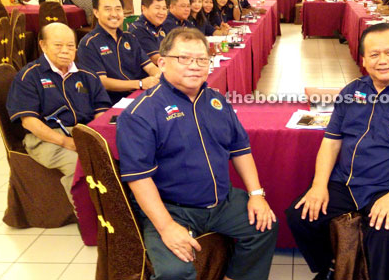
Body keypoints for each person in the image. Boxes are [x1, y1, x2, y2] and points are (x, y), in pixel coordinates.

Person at [286, 23, 389, 280]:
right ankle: (330, 266)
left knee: (383, 233)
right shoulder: (352, 92)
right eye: (374, 54)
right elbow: (331, 141)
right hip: (347, 182)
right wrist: (319, 185)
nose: (382, 61)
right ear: (363, 58)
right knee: (300, 216)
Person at [117, 27, 277, 280]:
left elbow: (240, 149)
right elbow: (139, 178)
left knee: (265, 226)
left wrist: (256, 194)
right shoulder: (141, 114)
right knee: (173, 272)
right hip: (172, 208)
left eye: (202, 59)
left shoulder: (216, 101)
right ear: (162, 63)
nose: (195, 66)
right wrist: (167, 226)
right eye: (184, 59)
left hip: (221, 202)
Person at [6, 22, 111, 207]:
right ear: (43, 45)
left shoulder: (86, 74)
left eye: (70, 45)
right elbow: (29, 122)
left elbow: (101, 109)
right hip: (45, 138)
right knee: (79, 164)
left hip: (84, 132)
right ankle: (90, 219)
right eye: (58, 45)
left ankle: (121, 211)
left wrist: (94, 135)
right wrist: (66, 142)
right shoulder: (28, 76)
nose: (65, 50)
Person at [78, 0, 160, 103]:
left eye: (118, 9)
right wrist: (139, 83)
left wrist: (157, 75)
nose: (114, 14)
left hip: (140, 94)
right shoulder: (89, 43)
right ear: (96, 12)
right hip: (113, 101)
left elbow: (149, 66)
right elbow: (102, 81)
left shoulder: (129, 37)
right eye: (108, 9)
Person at [129, 0, 168, 65]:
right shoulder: (138, 29)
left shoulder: (161, 26)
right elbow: (156, 59)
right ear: (144, 8)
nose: (162, 12)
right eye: (157, 8)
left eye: (164, 8)